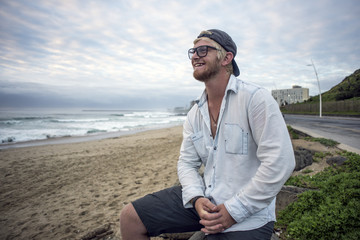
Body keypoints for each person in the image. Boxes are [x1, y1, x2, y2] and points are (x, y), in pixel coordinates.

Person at [119, 29, 295, 240]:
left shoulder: (255, 99)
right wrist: (196, 198)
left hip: (250, 213)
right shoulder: (195, 113)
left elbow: (280, 162)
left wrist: (233, 210)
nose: (195, 55)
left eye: (203, 50)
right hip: (206, 200)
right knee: (130, 218)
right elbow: (186, 163)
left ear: (226, 57)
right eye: (193, 51)